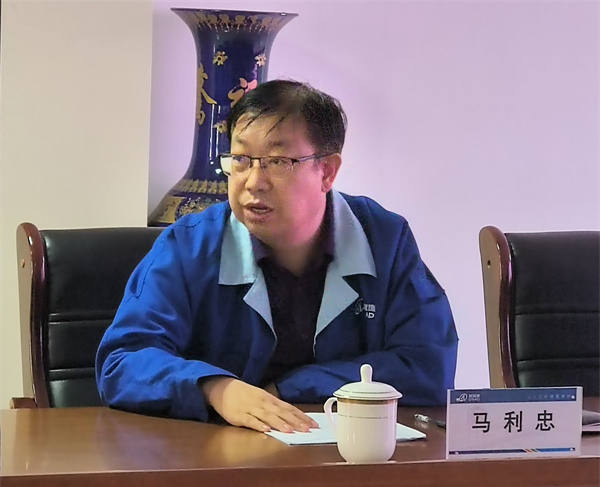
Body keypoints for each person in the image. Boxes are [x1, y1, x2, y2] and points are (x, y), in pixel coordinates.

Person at [96, 80, 458, 434]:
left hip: (348, 457)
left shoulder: (384, 240)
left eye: (278, 161)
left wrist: (291, 388)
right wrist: (216, 388)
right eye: (241, 159)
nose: (254, 181)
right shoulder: (189, 246)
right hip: (219, 457)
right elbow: (123, 361)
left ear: (327, 172)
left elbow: (428, 366)